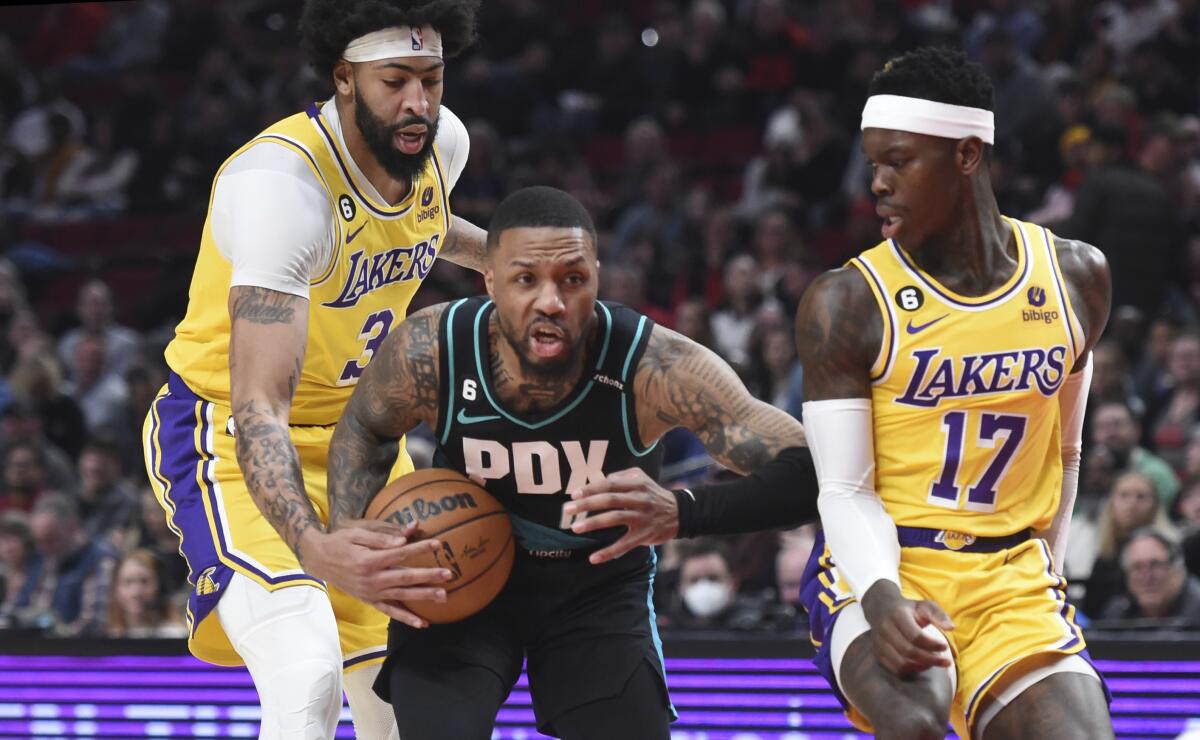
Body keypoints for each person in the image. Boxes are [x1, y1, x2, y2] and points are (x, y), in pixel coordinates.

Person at [325, 186, 819, 739]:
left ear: (597, 279)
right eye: (525, 279)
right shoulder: (432, 349)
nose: (552, 301)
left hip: (596, 589)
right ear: (489, 280)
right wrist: (349, 530)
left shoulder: (654, 366)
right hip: (456, 574)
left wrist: (685, 510)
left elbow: (808, 469)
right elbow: (366, 427)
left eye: (573, 279)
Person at [141, 1, 487, 737]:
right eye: (395, 80)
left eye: (432, 79)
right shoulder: (280, 188)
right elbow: (258, 405)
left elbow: (421, 222)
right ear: (344, 79)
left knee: (405, 700)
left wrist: (502, 257)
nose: (418, 102)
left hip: (360, 442)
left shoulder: (441, 145)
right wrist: (313, 543)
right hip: (234, 439)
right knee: (308, 677)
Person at [794, 47, 1113, 739]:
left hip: (1010, 574)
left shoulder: (1075, 278)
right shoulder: (847, 301)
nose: (876, 183)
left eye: (899, 161)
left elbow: (1067, 453)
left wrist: (1046, 570)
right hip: (885, 563)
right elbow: (845, 491)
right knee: (916, 720)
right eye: (872, 162)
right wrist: (881, 600)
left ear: (967, 156)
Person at [1101, 528, 1200, 627]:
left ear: (1177, 569)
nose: (1147, 577)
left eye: (1155, 565)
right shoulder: (1118, 614)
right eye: (1137, 567)